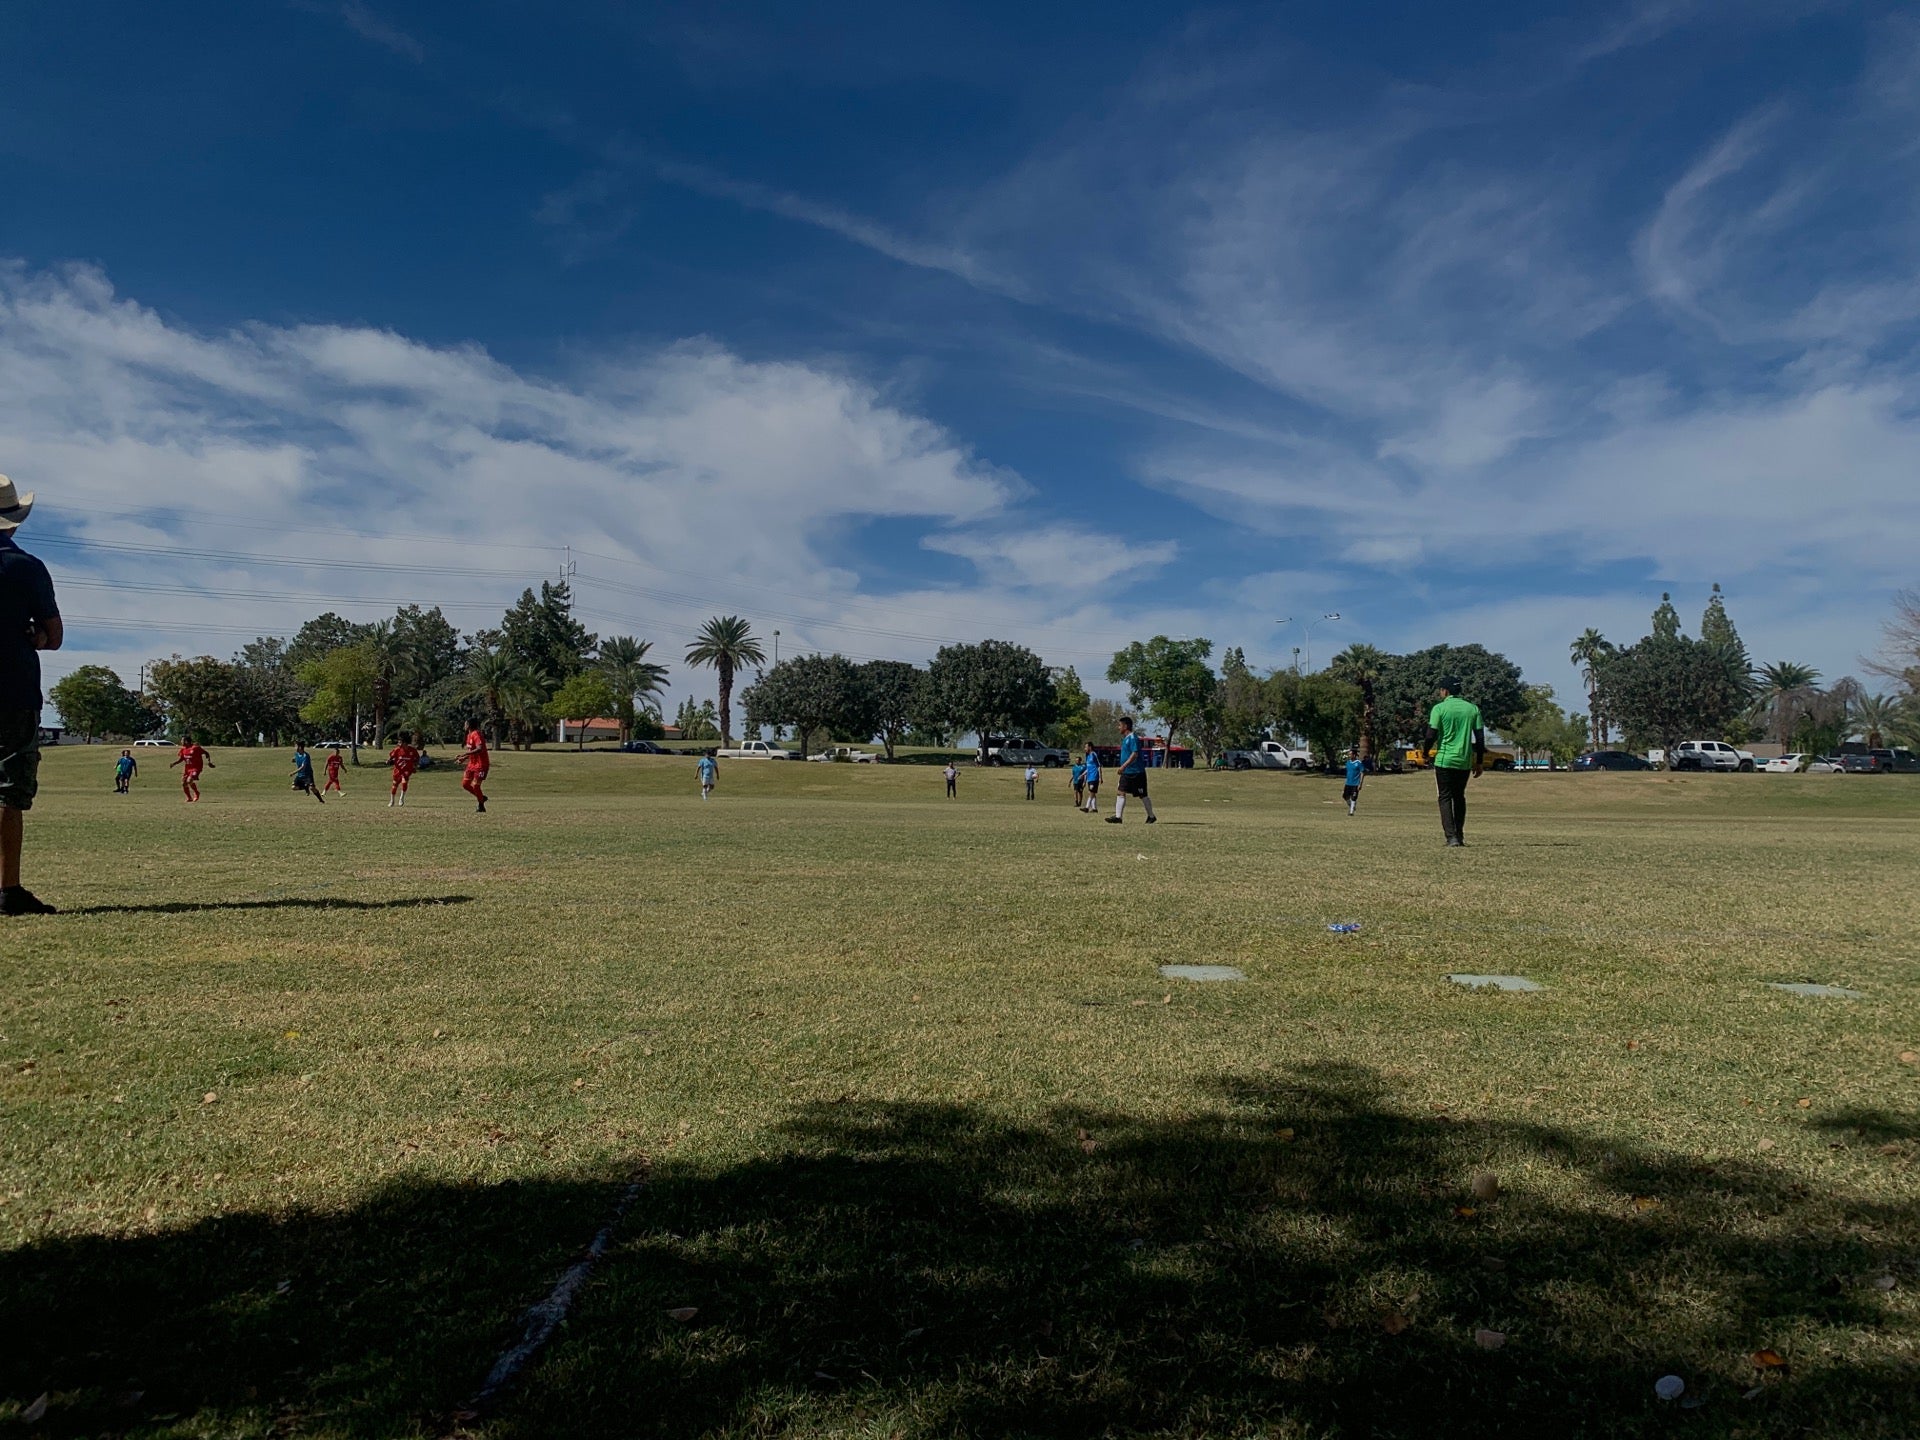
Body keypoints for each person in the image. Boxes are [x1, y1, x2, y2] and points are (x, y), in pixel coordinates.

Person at [0, 475, 61, 915]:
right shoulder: (27, 568)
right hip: (12, 690)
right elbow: (54, 636)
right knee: (8, 793)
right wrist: (32, 635)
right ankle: (8, 890)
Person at [1424, 675, 1485, 847]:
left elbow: (1431, 734)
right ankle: (1459, 835)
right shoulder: (1472, 709)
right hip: (1464, 761)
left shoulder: (1439, 708)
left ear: (1445, 691)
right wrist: (1479, 761)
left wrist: (1425, 752)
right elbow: (1480, 738)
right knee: (1459, 797)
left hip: (1444, 759)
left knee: (1444, 797)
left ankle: (1451, 837)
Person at [1106, 715, 1156, 824]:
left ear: (1126, 726)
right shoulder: (1126, 739)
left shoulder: (1133, 738)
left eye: (1120, 725)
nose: (1118, 727)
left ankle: (1151, 816)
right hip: (1127, 773)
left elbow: (1135, 754)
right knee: (1120, 791)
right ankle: (1118, 817)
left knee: (1143, 795)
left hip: (1137, 772)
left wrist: (1123, 766)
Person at [170, 731, 213, 802]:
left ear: (186, 741)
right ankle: (189, 798)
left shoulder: (195, 748)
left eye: (182, 740)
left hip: (196, 768)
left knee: (189, 781)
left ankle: (196, 793)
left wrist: (209, 762)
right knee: (184, 783)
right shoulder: (183, 749)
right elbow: (181, 759)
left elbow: (206, 753)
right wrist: (174, 763)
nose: (181, 742)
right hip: (187, 769)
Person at [458, 720, 490, 813]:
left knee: (476, 785)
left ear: (469, 725)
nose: (464, 725)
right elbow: (472, 751)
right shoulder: (469, 735)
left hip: (481, 764)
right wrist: (464, 758)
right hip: (471, 764)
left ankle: (481, 806)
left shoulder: (476, 734)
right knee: (465, 784)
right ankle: (481, 797)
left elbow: (480, 748)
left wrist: (465, 753)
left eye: (465, 724)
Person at [387, 731, 420, 807]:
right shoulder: (397, 750)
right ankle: (392, 800)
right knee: (394, 785)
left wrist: (415, 765)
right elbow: (391, 756)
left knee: (404, 783)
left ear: (405, 743)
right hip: (397, 771)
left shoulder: (412, 751)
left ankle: (401, 799)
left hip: (407, 771)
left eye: (400, 742)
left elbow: (417, 758)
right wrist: (388, 760)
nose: (399, 744)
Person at [1342, 747, 1365, 816]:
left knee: (1354, 797)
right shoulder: (1348, 763)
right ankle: (1351, 805)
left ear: (1354, 755)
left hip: (1355, 783)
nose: (1349, 756)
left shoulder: (1358, 763)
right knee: (1345, 796)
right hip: (1348, 783)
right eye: (1349, 754)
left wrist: (1360, 783)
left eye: (1350, 754)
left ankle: (1351, 811)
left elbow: (1362, 773)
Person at [1082, 744, 1101, 813]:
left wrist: (1100, 777)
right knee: (1092, 793)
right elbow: (1088, 768)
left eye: (1086, 747)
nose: (1085, 749)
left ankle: (1087, 807)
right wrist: (1082, 774)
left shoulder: (1094, 754)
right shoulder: (1087, 756)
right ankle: (1094, 808)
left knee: (1091, 792)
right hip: (1089, 777)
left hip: (1094, 777)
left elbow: (1099, 766)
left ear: (1090, 747)